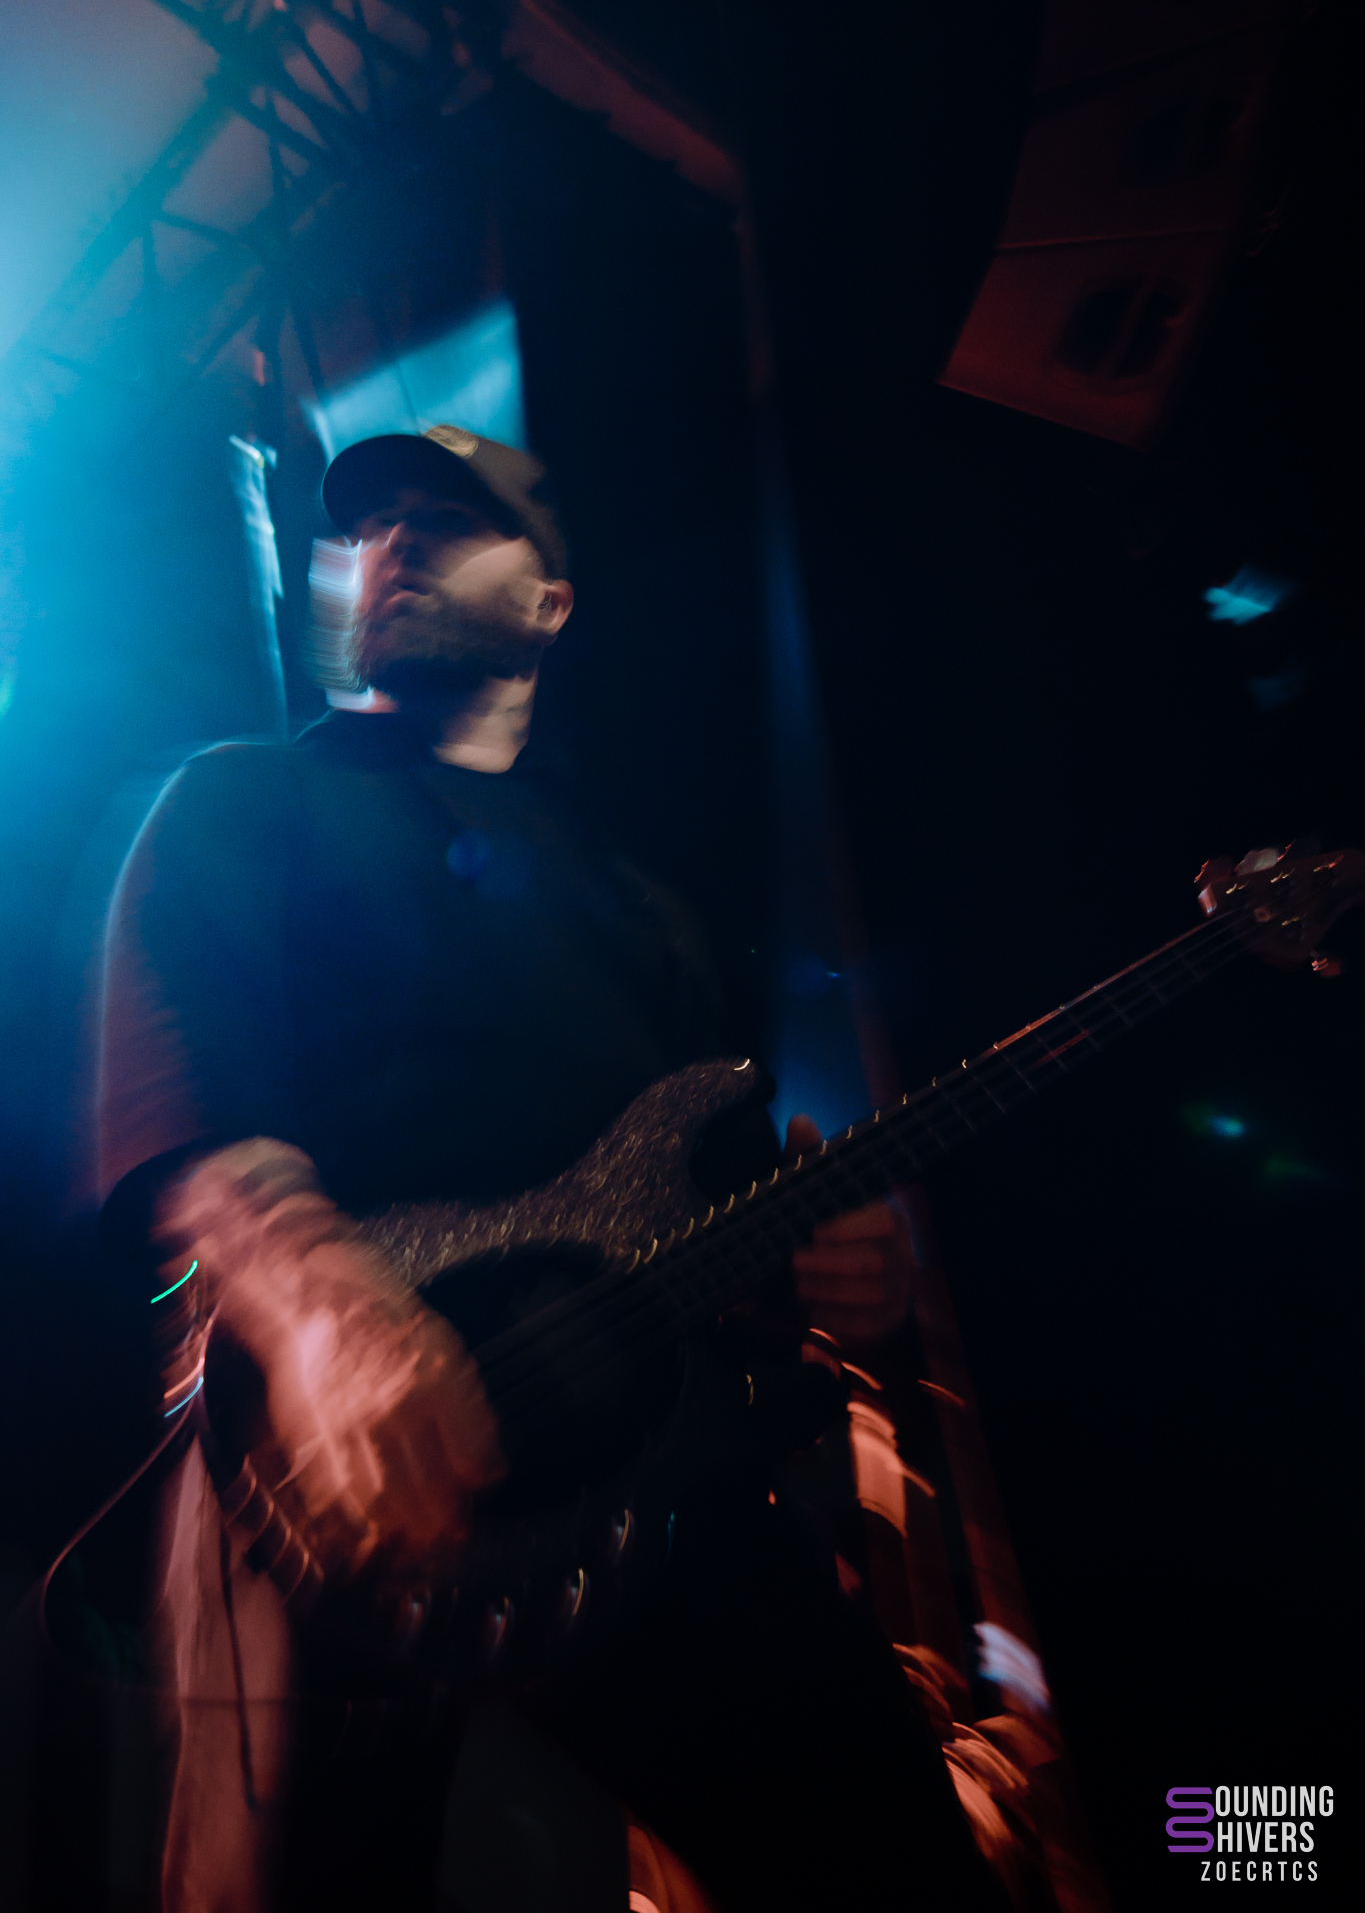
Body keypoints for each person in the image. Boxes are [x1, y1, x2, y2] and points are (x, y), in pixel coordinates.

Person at [90, 424, 1001, 1911]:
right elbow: (182, 1108)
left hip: (654, 1503)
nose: (388, 544)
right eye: (365, 525)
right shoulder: (244, 799)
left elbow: (721, 1213)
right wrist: (323, 1307)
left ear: (550, 602)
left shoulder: (641, 901)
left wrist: (834, 1273)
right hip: (329, 1495)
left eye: (444, 518)